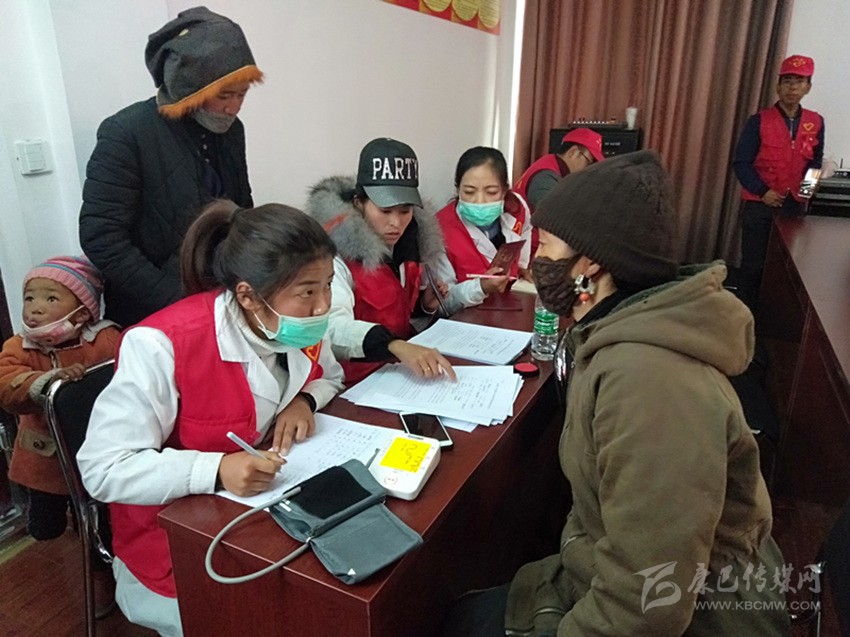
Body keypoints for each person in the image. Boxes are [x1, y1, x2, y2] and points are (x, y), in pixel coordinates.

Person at [444, 151, 790, 636]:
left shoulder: (651, 385)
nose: (537, 263)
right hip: (597, 569)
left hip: (700, 618)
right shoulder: (612, 333)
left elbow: (647, 604)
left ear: (590, 265)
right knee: (461, 613)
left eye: (547, 247)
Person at [77, 200, 344, 636]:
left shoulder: (295, 325)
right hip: (175, 547)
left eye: (328, 285)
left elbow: (330, 375)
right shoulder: (162, 345)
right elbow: (102, 469)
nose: (323, 306)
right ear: (248, 296)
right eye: (308, 291)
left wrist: (304, 401)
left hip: (261, 517)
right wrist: (215, 469)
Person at [79, 6, 262, 328]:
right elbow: (102, 237)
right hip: (151, 312)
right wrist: (174, 297)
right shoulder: (127, 132)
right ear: (189, 85)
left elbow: (241, 209)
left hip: (219, 301)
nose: (233, 107)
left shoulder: (232, 131)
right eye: (224, 95)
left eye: (242, 94)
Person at [305, 138, 487, 384]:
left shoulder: (411, 246)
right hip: (350, 384)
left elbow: (403, 316)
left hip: (399, 375)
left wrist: (425, 306)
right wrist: (393, 345)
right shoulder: (333, 256)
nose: (396, 223)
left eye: (405, 211)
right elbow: (331, 327)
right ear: (359, 203)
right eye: (385, 211)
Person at [0, 256, 121, 617]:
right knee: (44, 527)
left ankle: (101, 578)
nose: (35, 308)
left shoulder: (105, 339)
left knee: (98, 528)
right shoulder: (19, 347)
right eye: (29, 298)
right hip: (43, 460)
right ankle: (63, 522)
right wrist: (45, 382)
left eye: (51, 298)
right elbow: (5, 385)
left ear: (82, 312)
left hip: (93, 452)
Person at [733, 54, 824, 310]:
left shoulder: (816, 122)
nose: (792, 88)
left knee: (786, 268)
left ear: (808, 87)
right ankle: (747, 315)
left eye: (799, 82)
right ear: (778, 86)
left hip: (794, 206)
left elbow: (816, 162)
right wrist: (763, 191)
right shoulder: (759, 121)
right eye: (787, 81)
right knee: (754, 266)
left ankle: (776, 320)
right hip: (760, 205)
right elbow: (741, 162)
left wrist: (806, 191)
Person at [436, 146, 533, 282]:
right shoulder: (439, 229)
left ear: (504, 191)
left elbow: (526, 228)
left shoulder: (517, 207)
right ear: (458, 189)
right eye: (469, 192)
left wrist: (521, 266)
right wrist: (480, 288)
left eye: (491, 192)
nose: (480, 201)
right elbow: (444, 291)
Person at [513, 127, 604, 255]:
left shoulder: (554, 166)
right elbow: (556, 220)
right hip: (530, 251)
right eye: (589, 162)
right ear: (573, 152)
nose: (589, 169)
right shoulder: (545, 177)